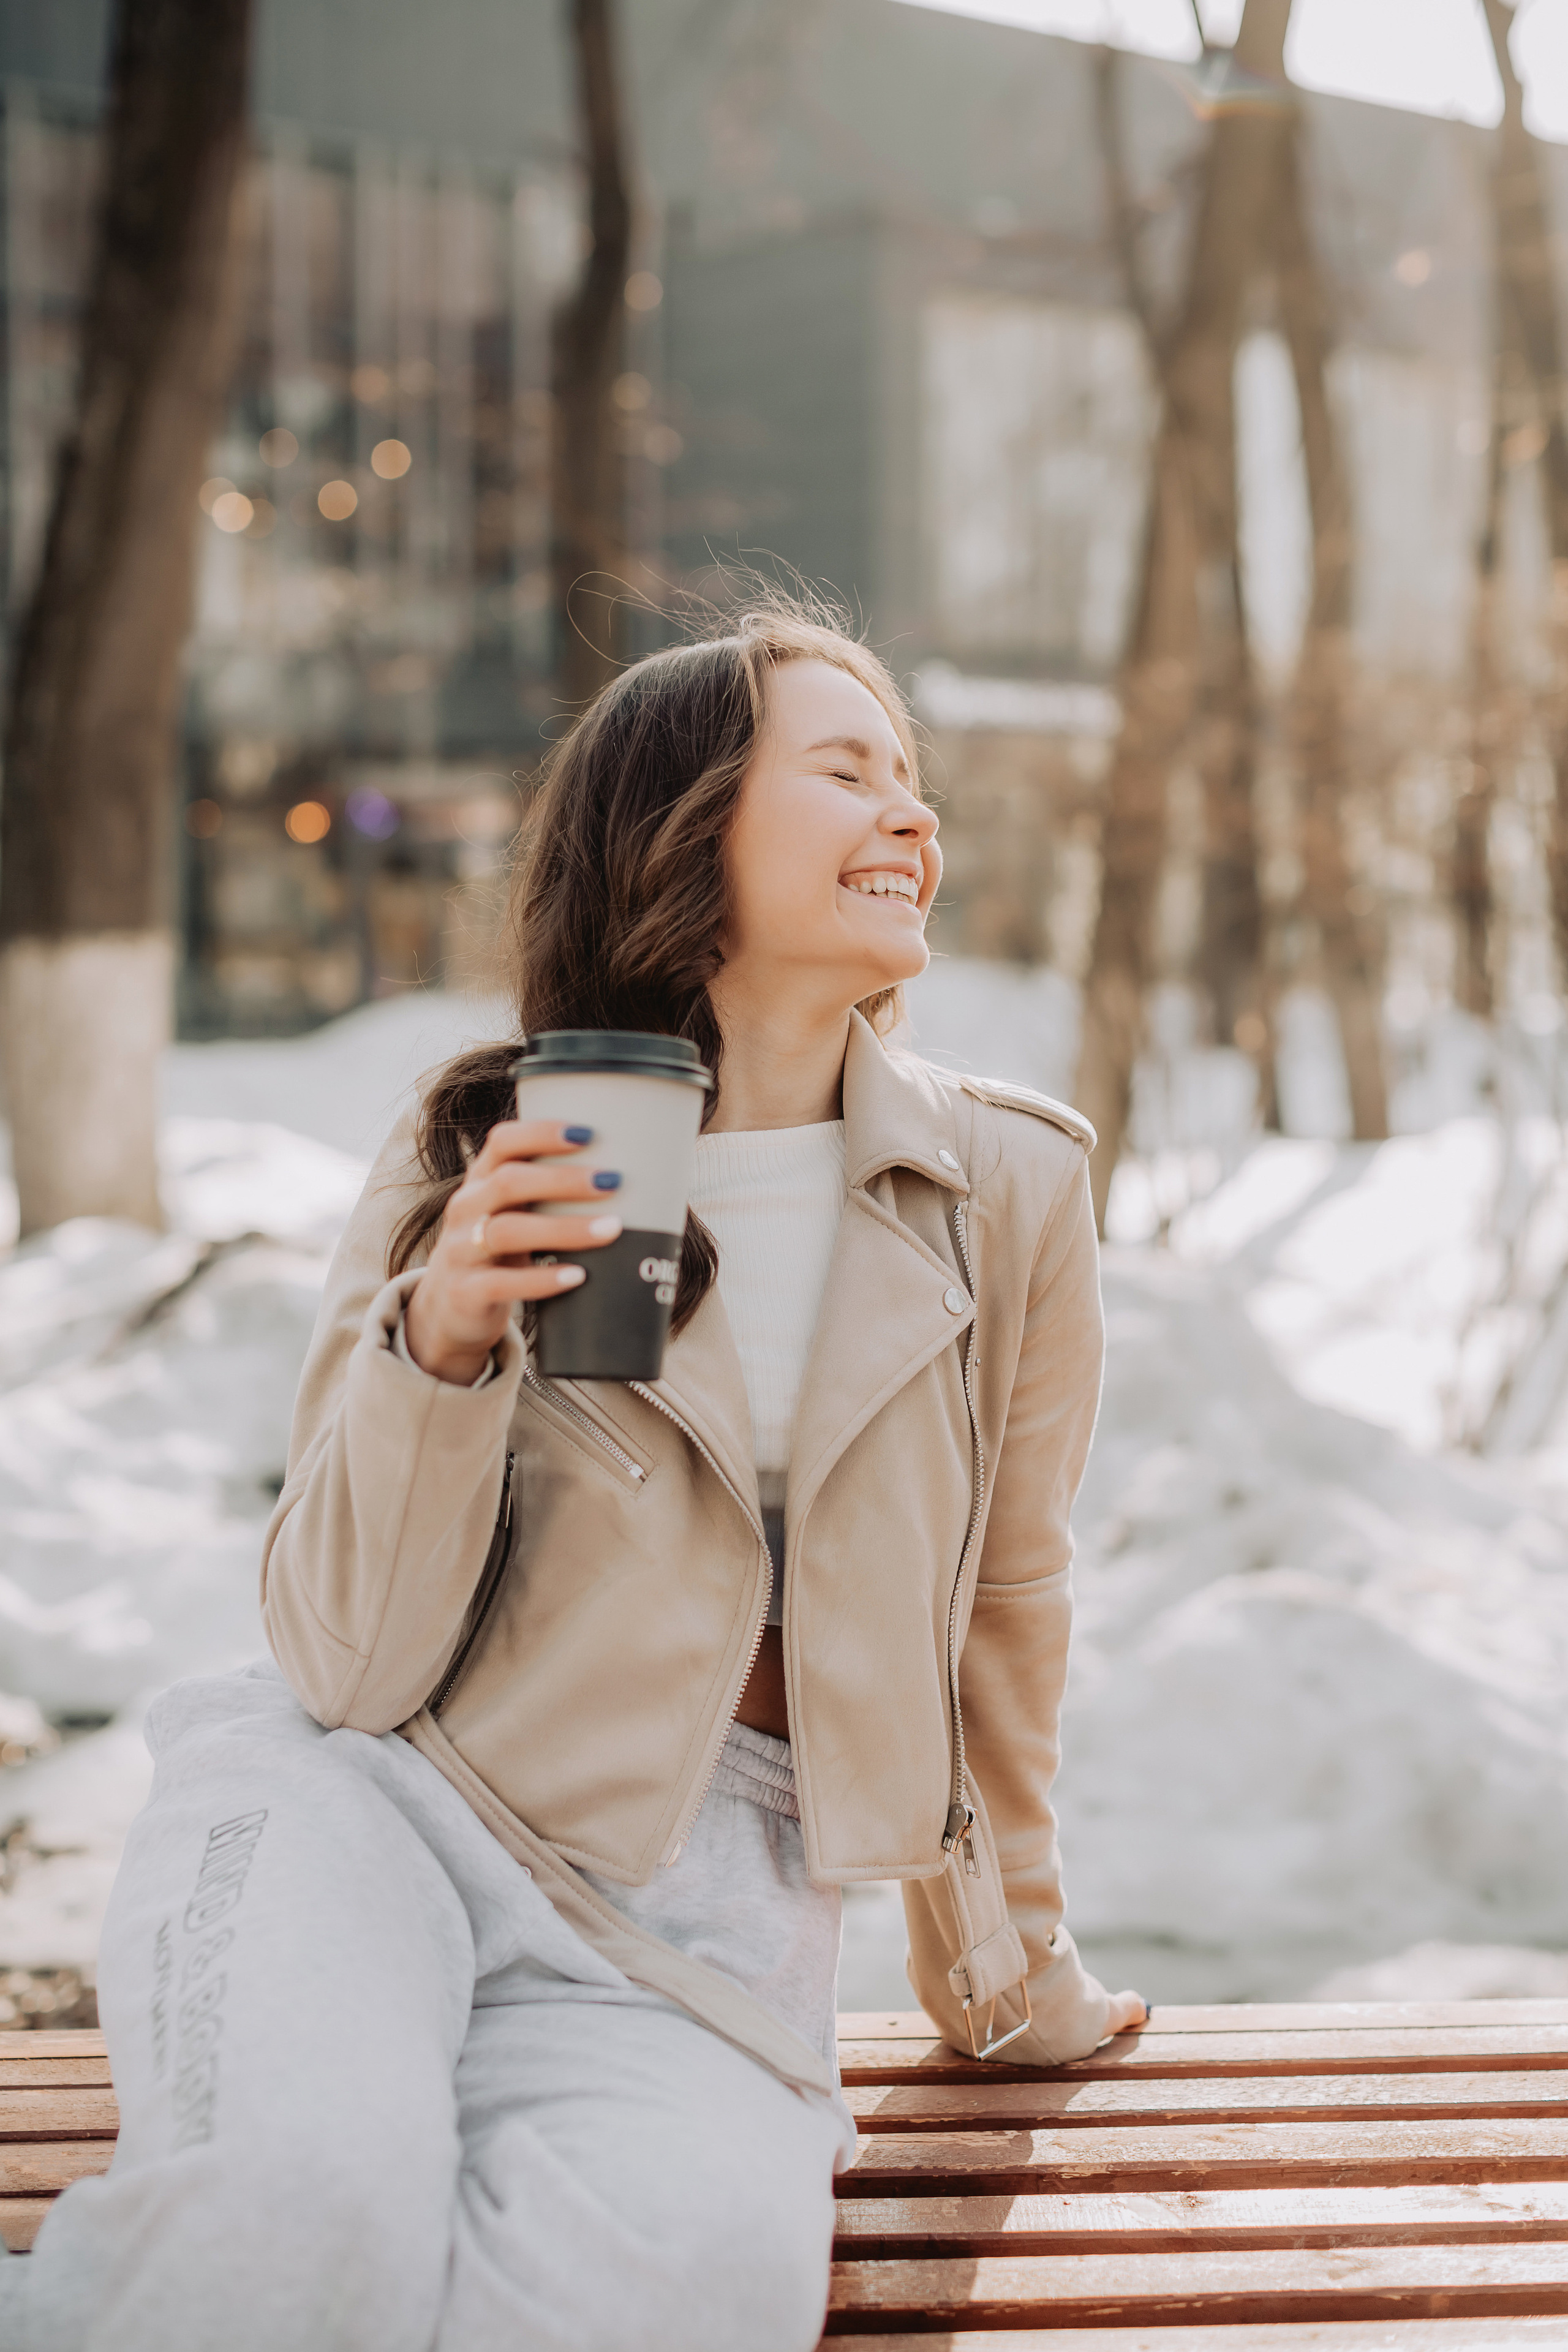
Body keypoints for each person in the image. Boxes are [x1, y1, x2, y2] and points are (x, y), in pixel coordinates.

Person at [4, 600, 1143, 2352]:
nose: (912, 814)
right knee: (292, 2239)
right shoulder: (478, 1144)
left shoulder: (1008, 1191)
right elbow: (344, 1665)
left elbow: (1008, 1601)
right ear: (687, 827)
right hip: (366, 1812)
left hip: (705, 1933)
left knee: (664, 2302)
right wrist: (444, 1339)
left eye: (911, 777)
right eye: (849, 771)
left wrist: (1007, 1968)